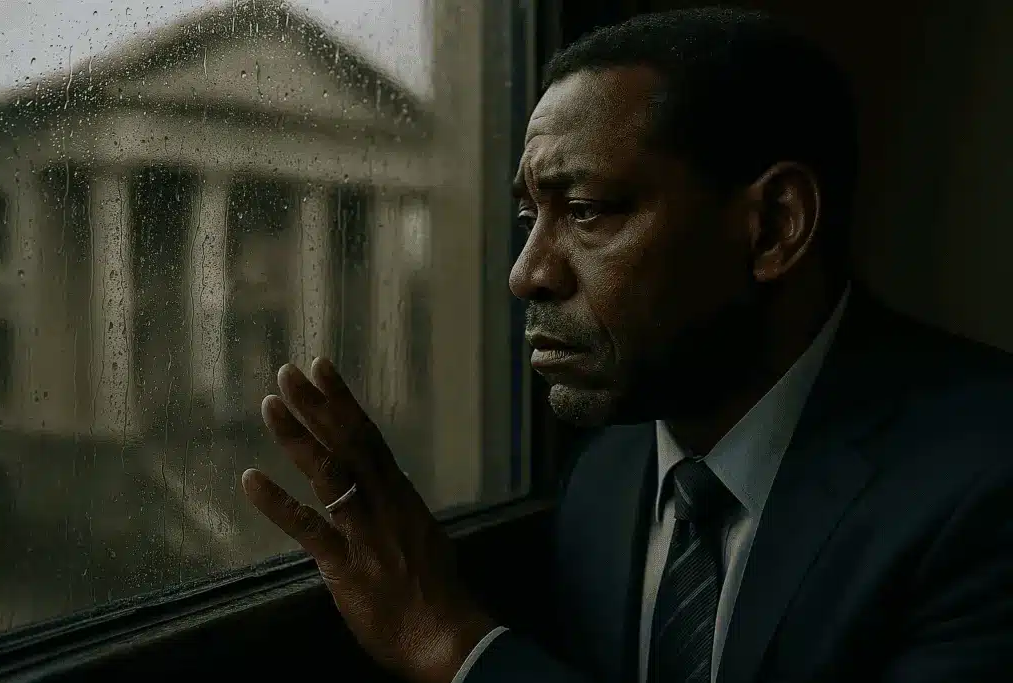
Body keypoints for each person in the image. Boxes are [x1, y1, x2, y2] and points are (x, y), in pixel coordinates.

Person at [239, 7, 1013, 683]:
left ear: (775, 226)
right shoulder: (605, 480)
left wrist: (455, 645)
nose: (526, 273)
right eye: (528, 217)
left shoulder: (986, 484)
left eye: (585, 210)